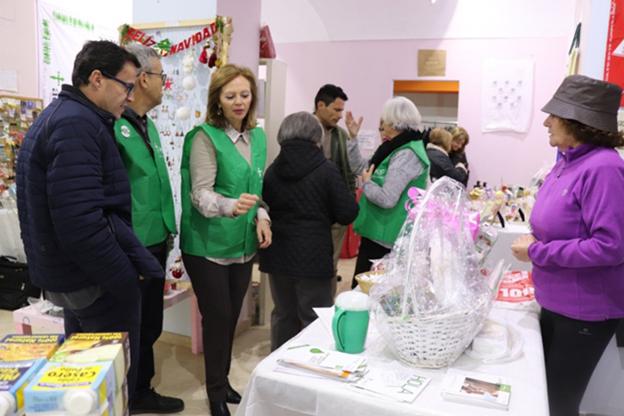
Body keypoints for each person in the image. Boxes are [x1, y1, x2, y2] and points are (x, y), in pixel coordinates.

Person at [15, 40, 163, 403]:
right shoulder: (76, 126)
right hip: (93, 282)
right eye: (126, 86)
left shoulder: (65, 118)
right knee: (105, 386)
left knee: (82, 384)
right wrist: (124, 278)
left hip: (75, 278)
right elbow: (81, 225)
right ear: (97, 79)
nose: (130, 97)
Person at [511, 74, 624, 416]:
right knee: (544, 396)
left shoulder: (604, 168)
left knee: (559, 404)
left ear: (579, 121)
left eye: (554, 115)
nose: (546, 121)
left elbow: (610, 246)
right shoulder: (566, 162)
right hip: (558, 303)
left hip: (584, 311)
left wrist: (537, 252)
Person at [179, 64, 271, 416]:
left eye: (245, 95)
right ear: (217, 99)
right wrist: (232, 206)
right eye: (230, 95)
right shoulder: (204, 137)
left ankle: (223, 380)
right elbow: (199, 195)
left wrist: (261, 217)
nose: (239, 102)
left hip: (242, 244)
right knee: (216, 318)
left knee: (231, 316)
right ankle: (215, 393)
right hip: (207, 246)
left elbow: (257, 190)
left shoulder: (258, 137)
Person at [113, 43, 183, 414]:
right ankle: (129, 393)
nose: (163, 84)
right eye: (160, 76)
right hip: (131, 245)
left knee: (150, 322)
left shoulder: (148, 124)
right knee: (132, 324)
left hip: (157, 241)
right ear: (142, 79)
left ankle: (141, 388)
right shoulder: (115, 125)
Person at [259, 112, 359, 350]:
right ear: (316, 137)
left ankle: (279, 368)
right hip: (313, 256)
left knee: (283, 315)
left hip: (278, 255)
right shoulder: (326, 170)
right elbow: (347, 213)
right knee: (315, 319)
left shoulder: (272, 171)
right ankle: (311, 371)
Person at [351, 96, 430, 286]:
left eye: (384, 121)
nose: (382, 126)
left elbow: (387, 198)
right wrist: (353, 138)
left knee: (369, 294)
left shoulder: (406, 154)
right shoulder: (393, 148)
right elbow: (362, 169)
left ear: (395, 122)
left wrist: (367, 183)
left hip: (387, 240)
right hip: (378, 234)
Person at [313, 84, 367, 294]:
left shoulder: (341, 136)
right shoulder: (302, 129)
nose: (340, 115)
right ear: (320, 105)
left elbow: (353, 171)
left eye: (341, 110)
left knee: (330, 264)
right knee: (309, 265)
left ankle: (327, 309)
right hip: (308, 213)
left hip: (334, 213)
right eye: (336, 110)